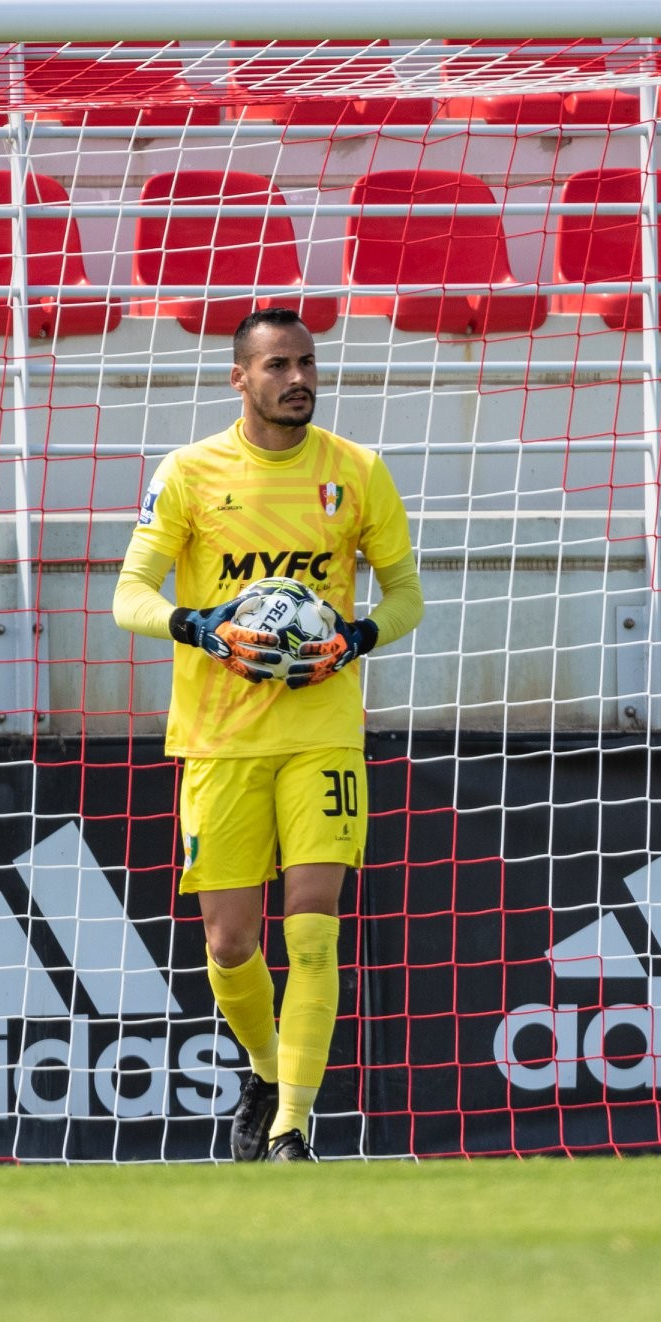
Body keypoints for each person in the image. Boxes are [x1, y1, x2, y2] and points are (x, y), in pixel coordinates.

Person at [112, 307, 424, 1162]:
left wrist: (356, 637)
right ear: (239, 378)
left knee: (313, 924)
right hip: (216, 738)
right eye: (278, 365)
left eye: (308, 363)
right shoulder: (188, 472)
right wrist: (201, 624)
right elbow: (127, 594)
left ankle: (291, 1124)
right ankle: (260, 1066)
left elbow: (405, 595)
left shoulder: (357, 472)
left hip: (323, 729)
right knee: (230, 940)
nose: (298, 379)